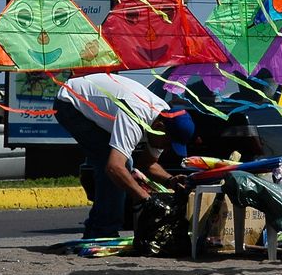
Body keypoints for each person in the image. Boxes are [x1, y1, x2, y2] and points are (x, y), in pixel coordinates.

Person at [53, 73, 195, 239]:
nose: (166, 149)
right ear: (159, 126)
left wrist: (170, 180)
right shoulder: (135, 115)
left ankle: (96, 229)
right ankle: (102, 232)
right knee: (115, 164)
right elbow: (114, 167)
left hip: (96, 102)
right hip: (70, 101)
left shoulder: (163, 119)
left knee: (120, 164)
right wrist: (146, 199)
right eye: (167, 143)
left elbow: (147, 164)